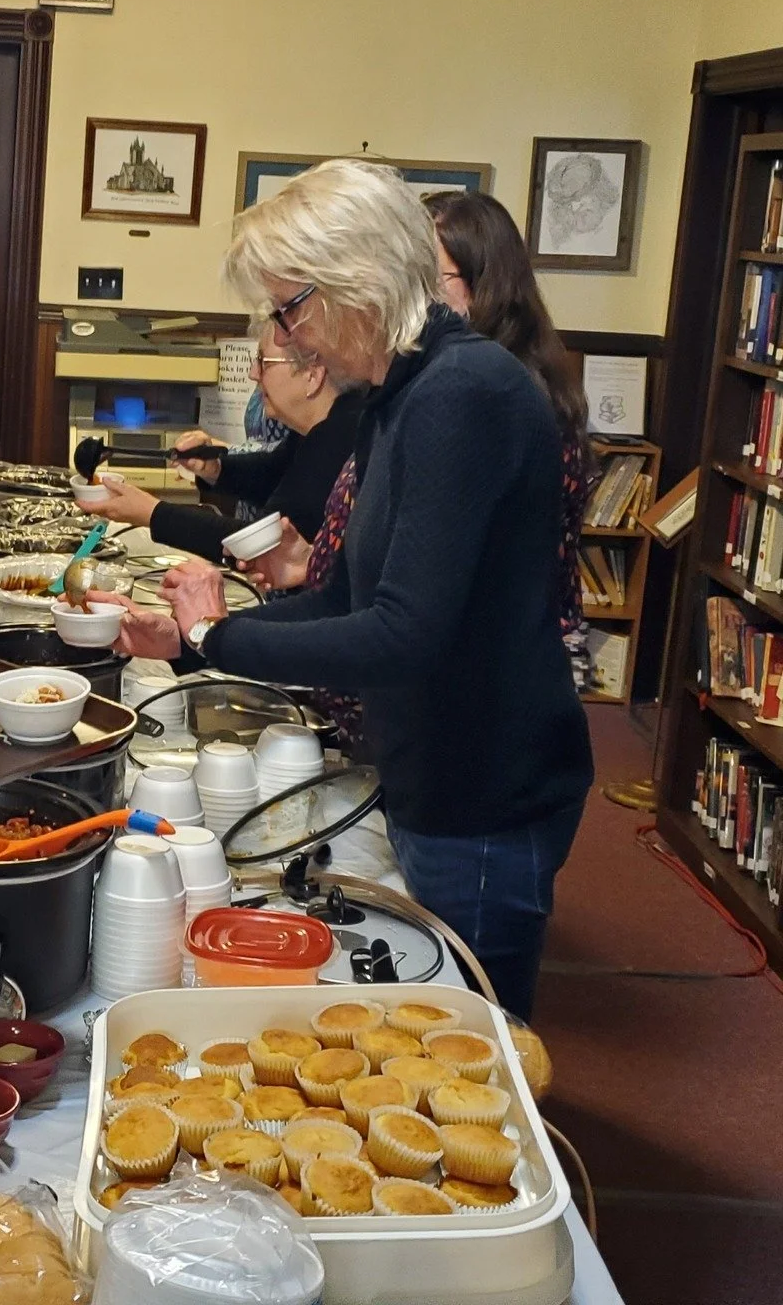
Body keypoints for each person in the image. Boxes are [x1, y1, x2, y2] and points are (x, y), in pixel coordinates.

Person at [100, 159, 593, 1021]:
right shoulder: (406, 392)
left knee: (471, 1041)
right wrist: (188, 641)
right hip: (436, 768)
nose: (288, 342)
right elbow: (343, 595)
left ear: (355, 281)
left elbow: (403, 633)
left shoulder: (461, 394)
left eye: (291, 309)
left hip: (483, 786)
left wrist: (220, 639)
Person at [425, 189, 592, 648]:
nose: (416, 295)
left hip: (493, 649)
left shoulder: (499, 386)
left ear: (485, 280)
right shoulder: (463, 368)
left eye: (431, 277)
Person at [75, 340, 360, 564]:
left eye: (263, 361)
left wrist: (151, 513)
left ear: (312, 374)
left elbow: (260, 542)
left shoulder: (340, 437)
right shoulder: (318, 428)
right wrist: (216, 470)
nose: (252, 373)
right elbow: (272, 473)